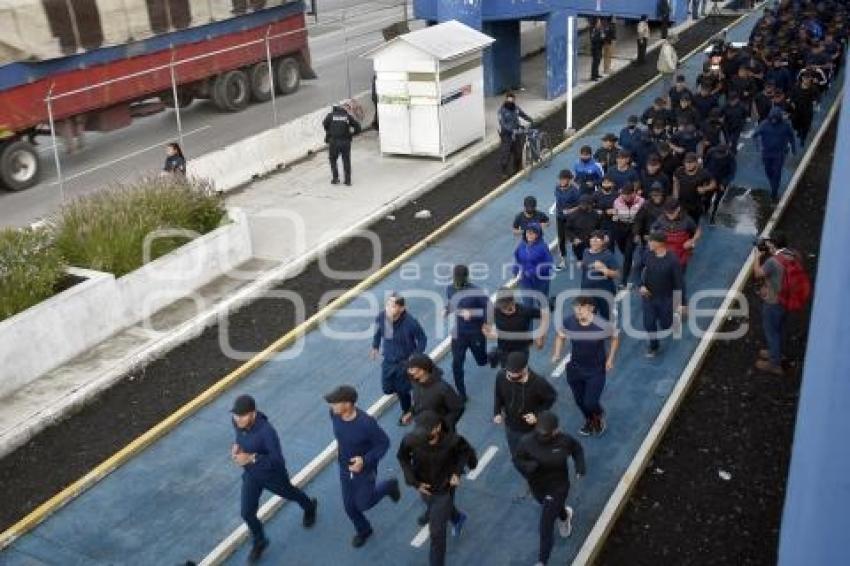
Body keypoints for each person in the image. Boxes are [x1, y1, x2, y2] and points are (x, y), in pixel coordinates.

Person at [230, 394, 318, 562]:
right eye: (235, 415)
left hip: (273, 475)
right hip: (251, 476)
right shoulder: (237, 422)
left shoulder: (267, 432)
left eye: (242, 416)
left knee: (292, 494)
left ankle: (309, 507)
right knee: (247, 513)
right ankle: (260, 541)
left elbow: (277, 460)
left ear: (253, 413)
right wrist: (237, 446)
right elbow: (239, 436)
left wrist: (251, 458)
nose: (237, 419)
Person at [324, 385, 401, 547]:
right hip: (344, 468)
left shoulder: (366, 423)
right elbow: (342, 436)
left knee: (364, 504)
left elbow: (383, 443)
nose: (331, 406)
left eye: (335, 402)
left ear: (348, 404)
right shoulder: (335, 415)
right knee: (349, 507)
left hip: (365, 470)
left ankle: (389, 486)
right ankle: (364, 530)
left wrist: (364, 461)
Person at [397, 411, 477, 566]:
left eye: (426, 430)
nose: (421, 434)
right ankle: (457, 518)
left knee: (436, 534)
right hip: (423, 487)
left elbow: (465, 452)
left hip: (444, 488)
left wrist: (456, 472)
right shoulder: (411, 439)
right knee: (432, 504)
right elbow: (402, 457)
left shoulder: (453, 440)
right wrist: (413, 481)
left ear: (437, 428)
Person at [514, 412, 586, 566]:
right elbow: (517, 459)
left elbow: (577, 449)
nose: (543, 436)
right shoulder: (526, 442)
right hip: (537, 485)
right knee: (549, 506)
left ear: (556, 430)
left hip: (558, 486)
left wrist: (580, 467)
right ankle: (564, 515)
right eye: (540, 432)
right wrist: (528, 466)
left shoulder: (564, 441)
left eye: (547, 433)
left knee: (545, 525)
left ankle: (542, 561)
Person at [551, 296, 620, 436]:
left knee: (590, 402)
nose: (578, 313)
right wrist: (557, 353)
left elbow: (615, 338)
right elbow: (560, 336)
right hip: (575, 369)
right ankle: (590, 421)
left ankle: (598, 414)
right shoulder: (569, 321)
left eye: (581, 309)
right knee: (579, 401)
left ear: (591, 308)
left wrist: (610, 359)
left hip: (596, 370)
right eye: (576, 310)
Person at [752, 233, 809, 376]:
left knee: (771, 331)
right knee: (780, 328)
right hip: (787, 299)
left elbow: (758, 273)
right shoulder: (793, 254)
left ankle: (774, 364)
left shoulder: (772, 262)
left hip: (774, 302)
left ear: (773, 244)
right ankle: (776, 352)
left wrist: (756, 256)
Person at [371, 294, 428, 425]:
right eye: (387, 304)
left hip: (404, 363)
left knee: (403, 391)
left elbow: (423, 339)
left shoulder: (411, 323)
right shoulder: (382, 317)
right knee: (387, 390)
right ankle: (414, 386)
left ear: (401, 308)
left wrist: (415, 356)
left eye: (392, 305)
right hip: (388, 362)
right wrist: (375, 346)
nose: (388, 308)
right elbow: (379, 331)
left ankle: (407, 410)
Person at [493, 351, 557, 458]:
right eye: (508, 373)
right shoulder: (501, 376)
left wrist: (537, 415)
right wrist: (497, 412)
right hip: (511, 426)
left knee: (536, 455)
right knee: (517, 455)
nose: (509, 377)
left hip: (531, 429)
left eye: (514, 376)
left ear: (524, 369)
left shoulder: (538, 382)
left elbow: (550, 398)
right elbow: (498, 395)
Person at [445, 265, 491, 402]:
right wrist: (446, 309)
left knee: (481, 361)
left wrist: (473, 314)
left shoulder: (476, 291)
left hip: (475, 333)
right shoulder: (450, 289)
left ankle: (494, 356)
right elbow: (452, 304)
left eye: (460, 279)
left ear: (466, 277)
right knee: (456, 364)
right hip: (459, 334)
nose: (457, 282)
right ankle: (462, 394)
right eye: (455, 279)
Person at [639, 232, 684, 357]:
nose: (648, 243)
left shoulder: (673, 260)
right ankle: (654, 346)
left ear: (658, 243)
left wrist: (681, 303)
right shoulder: (647, 254)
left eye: (650, 241)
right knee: (648, 324)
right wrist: (641, 285)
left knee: (666, 325)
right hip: (648, 297)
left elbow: (679, 283)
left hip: (666, 298)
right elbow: (643, 272)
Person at [483, 289, 549, 368]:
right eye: (501, 307)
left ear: (513, 301)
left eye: (506, 307)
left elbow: (545, 315)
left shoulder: (525, 310)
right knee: (506, 371)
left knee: (519, 371)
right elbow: (485, 328)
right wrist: (490, 334)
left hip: (522, 349)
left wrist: (541, 334)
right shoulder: (495, 310)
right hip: (504, 349)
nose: (503, 310)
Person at [652, 198, 700, 301]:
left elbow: (698, 231)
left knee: (678, 281)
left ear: (678, 209)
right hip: (665, 256)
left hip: (680, 258)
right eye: (667, 212)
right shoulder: (661, 218)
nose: (669, 215)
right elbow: (653, 229)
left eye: (671, 212)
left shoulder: (687, 220)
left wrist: (691, 241)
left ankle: (680, 303)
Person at [407, 354, 465, 430]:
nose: (409, 370)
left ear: (422, 370)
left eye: (412, 368)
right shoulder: (416, 385)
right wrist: (411, 412)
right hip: (423, 429)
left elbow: (458, 409)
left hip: (443, 434)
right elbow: (418, 403)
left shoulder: (443, 388)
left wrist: (442, 426)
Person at [752, 107, 798, 200]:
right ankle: (773, 184)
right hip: (766, 153)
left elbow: (792, 137)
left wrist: (793, 149)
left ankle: (774, 191)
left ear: (779, 118)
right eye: (772, 118)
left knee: (777, 172)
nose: (773, 120)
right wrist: (758, 146)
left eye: (775, 118)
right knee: (768, 171)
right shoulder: (764, 124)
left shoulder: (785, 125)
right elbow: (755, 135)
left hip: (779, 153)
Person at [580, 230, 620, 321]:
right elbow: (585, 269)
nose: (594, 242)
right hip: (588, 291)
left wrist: (603, 269)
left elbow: (617, 274)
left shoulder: (608, 255)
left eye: (597, 240)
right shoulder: (585, 252)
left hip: (604, 292)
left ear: (602, 242)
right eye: (592, 239)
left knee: (607, 316)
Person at [513, 223, 555, 310]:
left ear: (538, 235)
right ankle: (529, 321)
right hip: (525, 281)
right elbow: (517, 259)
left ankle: (548, 304)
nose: (529, 235)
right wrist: (516, 270)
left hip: (540, 281)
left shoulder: (543, 247)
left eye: (533, 233)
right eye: (528, 232)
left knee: (541, 301)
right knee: (527, 306)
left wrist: (531, 272)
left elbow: (548, 264)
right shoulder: (521, 245)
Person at [611, 185, 644, 287]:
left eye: (629, 194)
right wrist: (614, 216)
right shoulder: (617, 202)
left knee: (628, 253)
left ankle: (623, 280)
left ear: (634, 193)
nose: (627, 197)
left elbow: (643, 216)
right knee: (622, 248)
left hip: (634, 228)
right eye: (625, 195)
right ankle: (628, 259)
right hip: (620, 227)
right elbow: (615, 214)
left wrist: (638, 232)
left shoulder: (642, 202)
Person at [322, 103, 361, 186]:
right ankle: (348, 181)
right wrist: (351, 134)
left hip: (334, 142)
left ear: (334, 109)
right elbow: (358, 127)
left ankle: (335, 178)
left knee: (333, 160)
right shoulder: (347, 116)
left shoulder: (330, 116)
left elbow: (324, 124)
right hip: (345, 142)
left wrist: (330, 131)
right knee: (346, 161)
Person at [672, 152, 716, 225]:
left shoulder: (703, 173)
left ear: (696, 163)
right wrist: (675, 194)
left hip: (695, 205)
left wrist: (705, 188)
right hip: (682, 203)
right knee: (680, 223)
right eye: (687, 162)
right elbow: (675, 180)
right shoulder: (679, 171)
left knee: (693, 224)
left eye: (691, 162)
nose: (688, 165)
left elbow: (713, 183)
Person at [498, 92, 532, 178]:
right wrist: (511, 130)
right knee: (506, 153)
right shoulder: (501, 111)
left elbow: (523, 115)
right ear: (506, 99)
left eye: (512, 100)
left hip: (516, 133)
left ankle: (516, 169)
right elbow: (502, 124)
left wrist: (530, 120)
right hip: (507, 135)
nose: (510, 101)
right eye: (509, 99)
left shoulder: (516, 108)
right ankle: (503, 172)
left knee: (518, 152)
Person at [554, 169, 581, 270]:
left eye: (564, 179)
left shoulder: (575, 190)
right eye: (560, 179)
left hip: (572, 218)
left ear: (569, 180)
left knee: (573, 238)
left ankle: (579, 258)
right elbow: (557, 201)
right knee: (561, 239)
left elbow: (580, 205)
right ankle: (563, 260)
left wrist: (570, 211)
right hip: (560, 217)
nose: (561, 181)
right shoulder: (557, 188)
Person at [703, 143, 737, 223]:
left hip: (722, 180)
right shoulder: (710, 152)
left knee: (717, 199)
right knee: (707, 196)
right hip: (710, 179)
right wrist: (706, 178)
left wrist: (724, 183)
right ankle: (705, 210)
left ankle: (713, 214)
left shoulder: (731, 158)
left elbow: (732, 173)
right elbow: (705, 164)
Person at [563, 195, 602, 263]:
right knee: (581, 262)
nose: (583, 206)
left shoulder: (596, 214)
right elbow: (567, 229)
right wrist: (574, 238)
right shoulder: (573, 215)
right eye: (582, 204)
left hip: (592, 243)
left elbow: (599, 228)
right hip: (579, 244)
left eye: (586, 204)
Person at [789, 71, 819, 144]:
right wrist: (792, 103)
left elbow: (817, 97)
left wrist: (815, 102)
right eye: (805, 78)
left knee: (806, 126)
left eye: (808, 78)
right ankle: (799, 132)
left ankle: (803, 138)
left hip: (807, 112)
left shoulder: (813, 88)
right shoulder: (796, 87)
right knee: (796, 124)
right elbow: (792, 97)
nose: (807, 80)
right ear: (802, 78)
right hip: (797, 111)